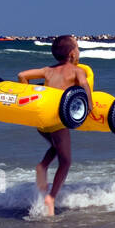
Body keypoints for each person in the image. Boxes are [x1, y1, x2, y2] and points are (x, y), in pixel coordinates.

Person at [17, 34, 93, 215]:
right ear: (73, 54)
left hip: (41, 121)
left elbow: (22, 75)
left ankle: (43, 165)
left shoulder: (47, 70)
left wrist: (31, 92)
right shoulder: (77, 71)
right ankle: (50, 197)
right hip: (57, 121)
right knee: (65, 161)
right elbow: (84, 85)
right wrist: (88, 105)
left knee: (55, 147)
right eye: (77, 48)